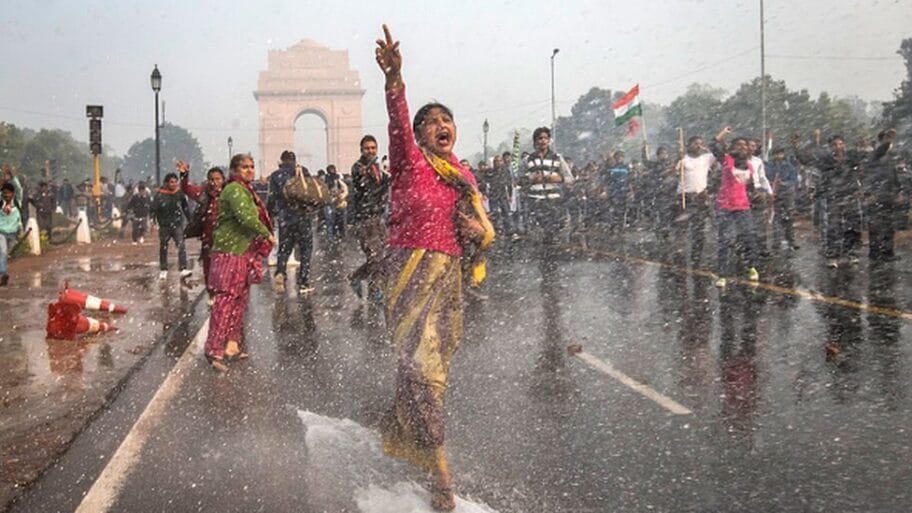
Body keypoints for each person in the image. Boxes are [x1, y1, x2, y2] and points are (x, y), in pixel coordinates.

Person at [375, 24, 493, 511]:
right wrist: (395, 82)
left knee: (429, 374)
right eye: (433, 121)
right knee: (422, 370)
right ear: (420, 135)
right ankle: (441, 474)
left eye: (448, 119)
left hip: (448, 283)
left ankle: (412, 435)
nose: (442, 125)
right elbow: (398, 123)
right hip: (409, 275)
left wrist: (477, 233)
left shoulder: (463, 176)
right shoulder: (411, 162)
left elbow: (485, 234)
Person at [204, 154, 274, 371]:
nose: (249, 170)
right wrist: (267, 233)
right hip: (229, 251)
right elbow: (245, 217)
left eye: (252, 166)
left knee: (239, 301)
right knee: (226, 300)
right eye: (244, 167)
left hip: (242, 251)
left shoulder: (245, 190)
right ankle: (214, 349)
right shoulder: (235, 190)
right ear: (233, 170)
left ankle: (231, 345)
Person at [796, 135, 865, 268]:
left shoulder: (851, 158)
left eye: (840, 144)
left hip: (850, 196)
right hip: (833, 197)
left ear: (844, 144)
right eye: (835, 144)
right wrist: (797, 148)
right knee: (833, 228)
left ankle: (852, 253)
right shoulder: (825, 161)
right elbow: (806, 160)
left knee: (853, 226)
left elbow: (870, 159)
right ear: (830, 147)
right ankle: (833, 256)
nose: (838, 147)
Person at [711, 128, 760, 288]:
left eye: (745, 146)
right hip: (724, 206)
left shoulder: (750, 166)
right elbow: (714, 145)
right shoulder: (726, 160)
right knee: (725, 240)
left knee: (748, 237)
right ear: (732, 148)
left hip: (742, 207)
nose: (742, 148)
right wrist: (723, 133)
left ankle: (751, 267)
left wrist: (758, 194)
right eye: (738, 145)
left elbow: (750, 187)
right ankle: (722, 274)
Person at [349, 134, 391, 301]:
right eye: (367, 148)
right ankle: (375, 290)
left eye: (373, 148)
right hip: (365, 218)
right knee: (376, 255)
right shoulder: (358, 167)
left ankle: (356, 276)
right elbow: (362, 183)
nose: (370, 151)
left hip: (378, 216)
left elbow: (384, 186)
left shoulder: (379, 167)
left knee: (381, 255)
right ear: (361, 150)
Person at [267, 150, 314, 295]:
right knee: (305, 250)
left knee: (284, 249)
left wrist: (270, 215)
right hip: (302, 217)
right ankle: (304, 282)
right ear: (294, 160)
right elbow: (311, 192)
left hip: (285, 219)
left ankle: (281, 273)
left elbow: (272, 198)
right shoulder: (303, 171)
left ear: (281, 160)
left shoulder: (275, 175)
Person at [519, 126, 574, 247]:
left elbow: (569, 178)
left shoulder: (557, 158)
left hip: (554, 198)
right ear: (535, 141)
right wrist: (531, 179)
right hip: (536, 199)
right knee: (543, 225)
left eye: (545, 138)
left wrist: (558, 178)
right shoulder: (528, 160)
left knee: (555, 225)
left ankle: (550, 245)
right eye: (540, 138)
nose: (543, 141)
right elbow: (519, 181)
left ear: (549, 140)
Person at [179, 161, 225, 293]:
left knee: (225, 266)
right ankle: (212, 292)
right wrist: (184, 175)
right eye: (211, 179)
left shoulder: (229, 194)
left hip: (226, 237)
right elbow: (186, 188)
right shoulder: (204, 193)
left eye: (217, 179)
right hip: (208, 236)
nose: (214, 182)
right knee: (208, 265)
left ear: (223, 180)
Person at [864, 129, 909, 262]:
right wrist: (869, 193)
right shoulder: (874, 155)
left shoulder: (890, 157)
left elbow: (894, 177)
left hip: (888, 195)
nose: (890, 142)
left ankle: (888, 252)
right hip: (876, 196)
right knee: (875, 226)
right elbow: (867, 176)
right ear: (881, 141)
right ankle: (875, 253)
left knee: (889, 226)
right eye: (887, 139)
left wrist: (899, 192)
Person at [673, 136, 716, 266]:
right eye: (695, 143)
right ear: (689, 145)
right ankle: (679, 252)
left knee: (699, 228)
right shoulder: (683, 159)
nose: (698, 146)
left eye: (700, 144)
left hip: (700, 197)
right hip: (684, 197)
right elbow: (673, 171)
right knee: (682, 227)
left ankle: (697, 254)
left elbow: (718, 153)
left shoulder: (706, 158)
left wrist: (707, 147)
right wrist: (678, 158)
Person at [151, 173, 191, 280]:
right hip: (164, 225)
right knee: (164, 246)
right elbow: (153, 209)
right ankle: (163, 269)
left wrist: (190, 219)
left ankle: (183, 268)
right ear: (166, 183)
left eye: (175, 182)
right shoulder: (159, 195)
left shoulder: (179, 194)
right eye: (171, 182)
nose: (174, 184)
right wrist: (153, 222)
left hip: (177, 224)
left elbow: (185, 207)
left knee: (181, 245)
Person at [766, 147, 800, 251]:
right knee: (776, 217)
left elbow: (793, 180)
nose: (778, 156)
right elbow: (767, 178)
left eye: (780, 153)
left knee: (789, 217)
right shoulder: (770, 166)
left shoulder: (789, 166)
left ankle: (791, 240)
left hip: (787, 194)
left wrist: (783, 183)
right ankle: (776, 241)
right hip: (775, 194)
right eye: (776, 154)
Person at [0, 183, 21, 286]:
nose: (6, 195)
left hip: (12, 233)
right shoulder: (0, 202)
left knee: (7, 255)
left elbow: (18, 216)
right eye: (4, 193)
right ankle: (3, 274)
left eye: (8, 193)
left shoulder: (16, 202)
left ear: (12, 194)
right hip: (1, 232)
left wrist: (20, 227)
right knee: (3, 252)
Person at [323, 164, 349, 242]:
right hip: (330, 203)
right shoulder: (325, 180)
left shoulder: (338, 179)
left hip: (339, 203)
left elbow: (345, 189)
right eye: (330, 169)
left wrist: (341, 196)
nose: (332, 171)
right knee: (330, 222)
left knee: (340, 221)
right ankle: (332, 238)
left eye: (333, 169)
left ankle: (341, 237)